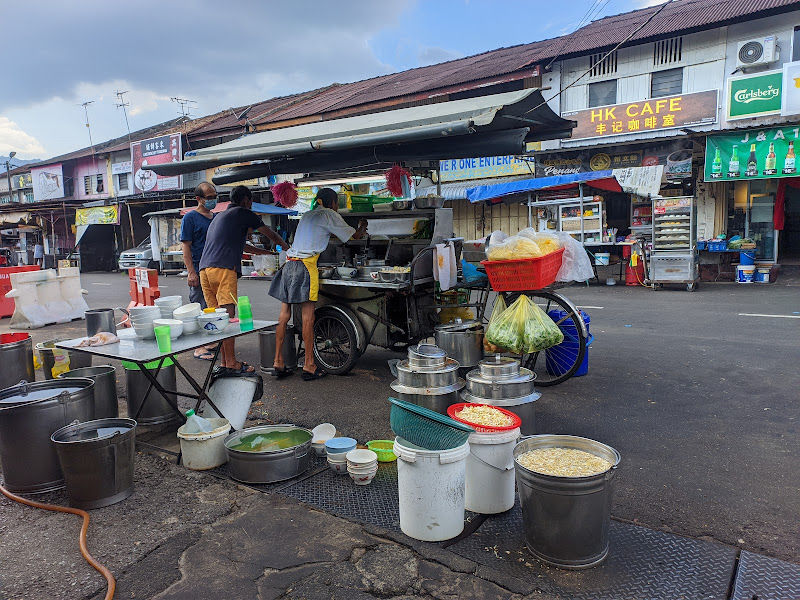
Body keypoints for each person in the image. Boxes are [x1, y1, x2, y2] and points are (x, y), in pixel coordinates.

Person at [269, 187, 368, 381]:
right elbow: (354, 237)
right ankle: (309, 365)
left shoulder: (307, 215)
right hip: (306, 266)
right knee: (308, 317)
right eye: (337, 204)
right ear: (332, 202)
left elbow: (318, 235)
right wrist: (362, 227)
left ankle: (277, 361)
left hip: (289, 264)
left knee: (284, 316)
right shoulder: (329, 214)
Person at [199, 185, 289, 374]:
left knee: (217, 320)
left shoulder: (221, 215)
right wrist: (286, 246)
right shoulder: (244, 212)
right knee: (228, 318)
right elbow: (269, 233)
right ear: (247, 200)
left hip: (205, 270)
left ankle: (225, 362)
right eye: (251, 201)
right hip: (223, 269)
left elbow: (245, 247)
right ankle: (231, 362)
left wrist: (267, 253)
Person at [180, 183, 217, 360]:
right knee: (199, 308)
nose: (213, 200)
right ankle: (199, 348)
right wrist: (191, 272)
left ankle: (210, 342)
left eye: (214, 196)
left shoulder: (214, 217)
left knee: (212, 308)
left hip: (214, 269)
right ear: (199, 199)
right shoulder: (190, 218)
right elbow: (185, 247)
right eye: (209, 197)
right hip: (198, 269)